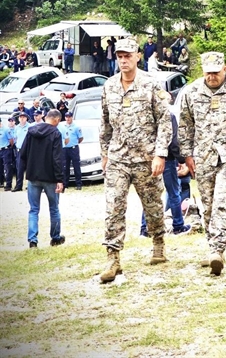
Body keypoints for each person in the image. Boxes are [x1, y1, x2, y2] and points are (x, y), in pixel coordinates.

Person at [99, 37, 172, 283]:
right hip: (118, 158)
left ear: (137, 57)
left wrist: (160, 153)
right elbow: (105, 122)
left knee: (153, 206)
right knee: (113, 206)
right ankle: (113, 258)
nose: (123, 60)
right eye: (120, 56)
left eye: (128, 56)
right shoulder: (109, 86)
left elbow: (164, 121)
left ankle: (158, 243)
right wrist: (105, 153)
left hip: (146, 158)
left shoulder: (151, 84)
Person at [179, 52, 226, 276]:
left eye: (216, 72)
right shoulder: (192, 91)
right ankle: (213, 249)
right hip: (203, 157)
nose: (212, 77)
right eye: (208, 73)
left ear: (225, 69)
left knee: (222, 200)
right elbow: (185, 125)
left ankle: (217, 249)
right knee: (208, 205)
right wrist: (187, 155)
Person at [19, 109, 65, 248]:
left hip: (33, 176)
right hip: (50, 177)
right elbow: (57, 159)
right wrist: (60, 179)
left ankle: (32, 240)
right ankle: (55, 238)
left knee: (33, 209)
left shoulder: (31, 131)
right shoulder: (56, 133)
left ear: (46, 117)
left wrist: (28, 169)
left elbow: (23, 153)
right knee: (54, 208)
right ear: (56, 120)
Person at [140, 113, 191, 238]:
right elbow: (173, 141)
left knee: (149, 194)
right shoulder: (168, 115)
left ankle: (145, 228)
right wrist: (181, 159)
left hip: (148, 159)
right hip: (167, 159)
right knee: (173, 192)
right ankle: (178, 225)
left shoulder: (144, 114)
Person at [58, 112, 83, 191]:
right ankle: (65, 184)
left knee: (76, 166)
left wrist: (74, 143)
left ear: (72, 117)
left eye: (69, 117)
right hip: (65, 148)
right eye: (66, 117)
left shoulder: (76, 127)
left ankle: (78, 184)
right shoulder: (62, 126)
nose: (68, 118)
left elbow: (80, 138)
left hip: (73, 148)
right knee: (65, 167)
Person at [12, 112, 30, 192]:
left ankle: (30, 186)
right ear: (19, 119)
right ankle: (19, 186)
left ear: (26, 118)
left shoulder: (30, 127)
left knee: (29, 168)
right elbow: (15, 138)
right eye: (20, 117)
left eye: (23, 117)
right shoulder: (16, 128)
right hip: (19, 150)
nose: (22, 119)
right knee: (19, 169)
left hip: (28, 150)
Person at [0, 118, 15, 190]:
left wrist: (9, 147)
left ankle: (8, 184)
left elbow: (11, 140)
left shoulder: (6, 129)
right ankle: (1, 182)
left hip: (6, 149)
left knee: (7, 167)